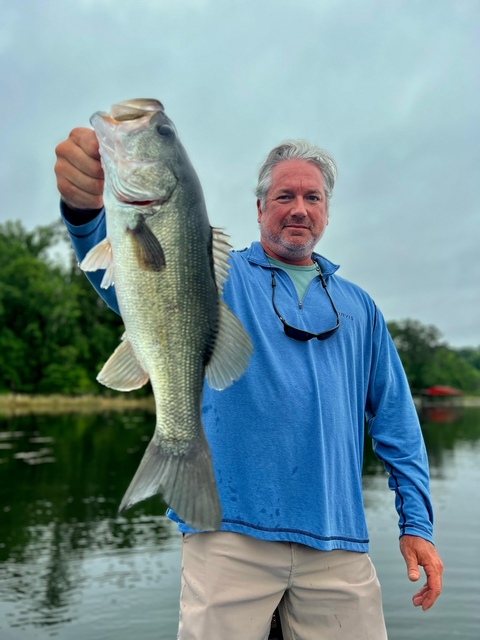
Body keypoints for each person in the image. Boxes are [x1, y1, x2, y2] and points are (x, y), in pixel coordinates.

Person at [55, 129, 444, 640]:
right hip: (227, 532)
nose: (299, 208)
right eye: (284, 196)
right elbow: (131, 284)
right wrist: (83, 214)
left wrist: (417, 523)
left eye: (313, 197)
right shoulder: (218, 274)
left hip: (338, 540)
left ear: (328, 212)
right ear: (260, 208)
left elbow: (397, 422)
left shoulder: (362, 308)